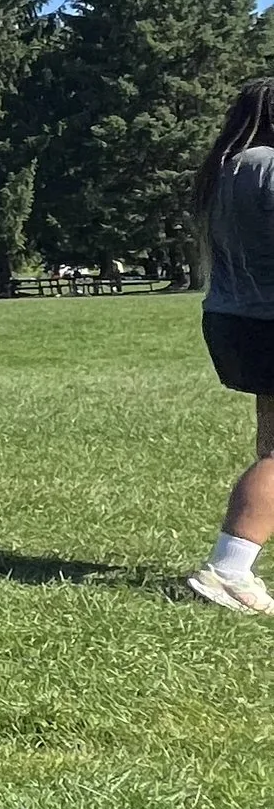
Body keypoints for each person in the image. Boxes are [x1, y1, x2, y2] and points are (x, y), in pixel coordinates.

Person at [182, 77, 274, 618]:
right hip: (268, 317)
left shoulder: (224, 168)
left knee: (272, 446)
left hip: (232, 319)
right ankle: (229, 569)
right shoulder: (270, 166)